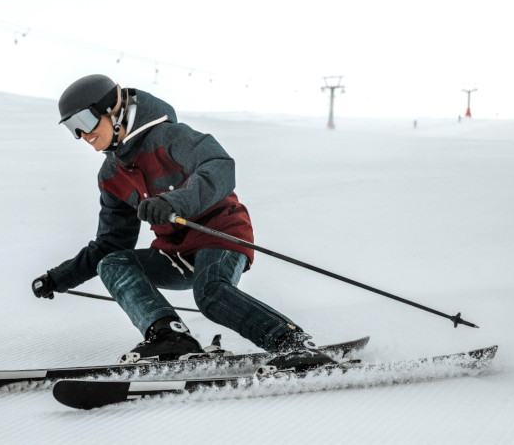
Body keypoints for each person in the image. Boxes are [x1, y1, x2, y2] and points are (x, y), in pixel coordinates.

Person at [32, 74, 335, 372]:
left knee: (210, 293)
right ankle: (170, 336)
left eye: (84, 122)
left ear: (114, 110)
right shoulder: (112, 175)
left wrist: (172, 203)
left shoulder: (168, 137)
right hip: (175, 251)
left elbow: (219, 166)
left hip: (220, 234)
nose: (83, 136)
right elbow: (111, 243)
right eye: (73, 129)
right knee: (113, 263)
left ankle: (292, 343)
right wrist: (60, 278)